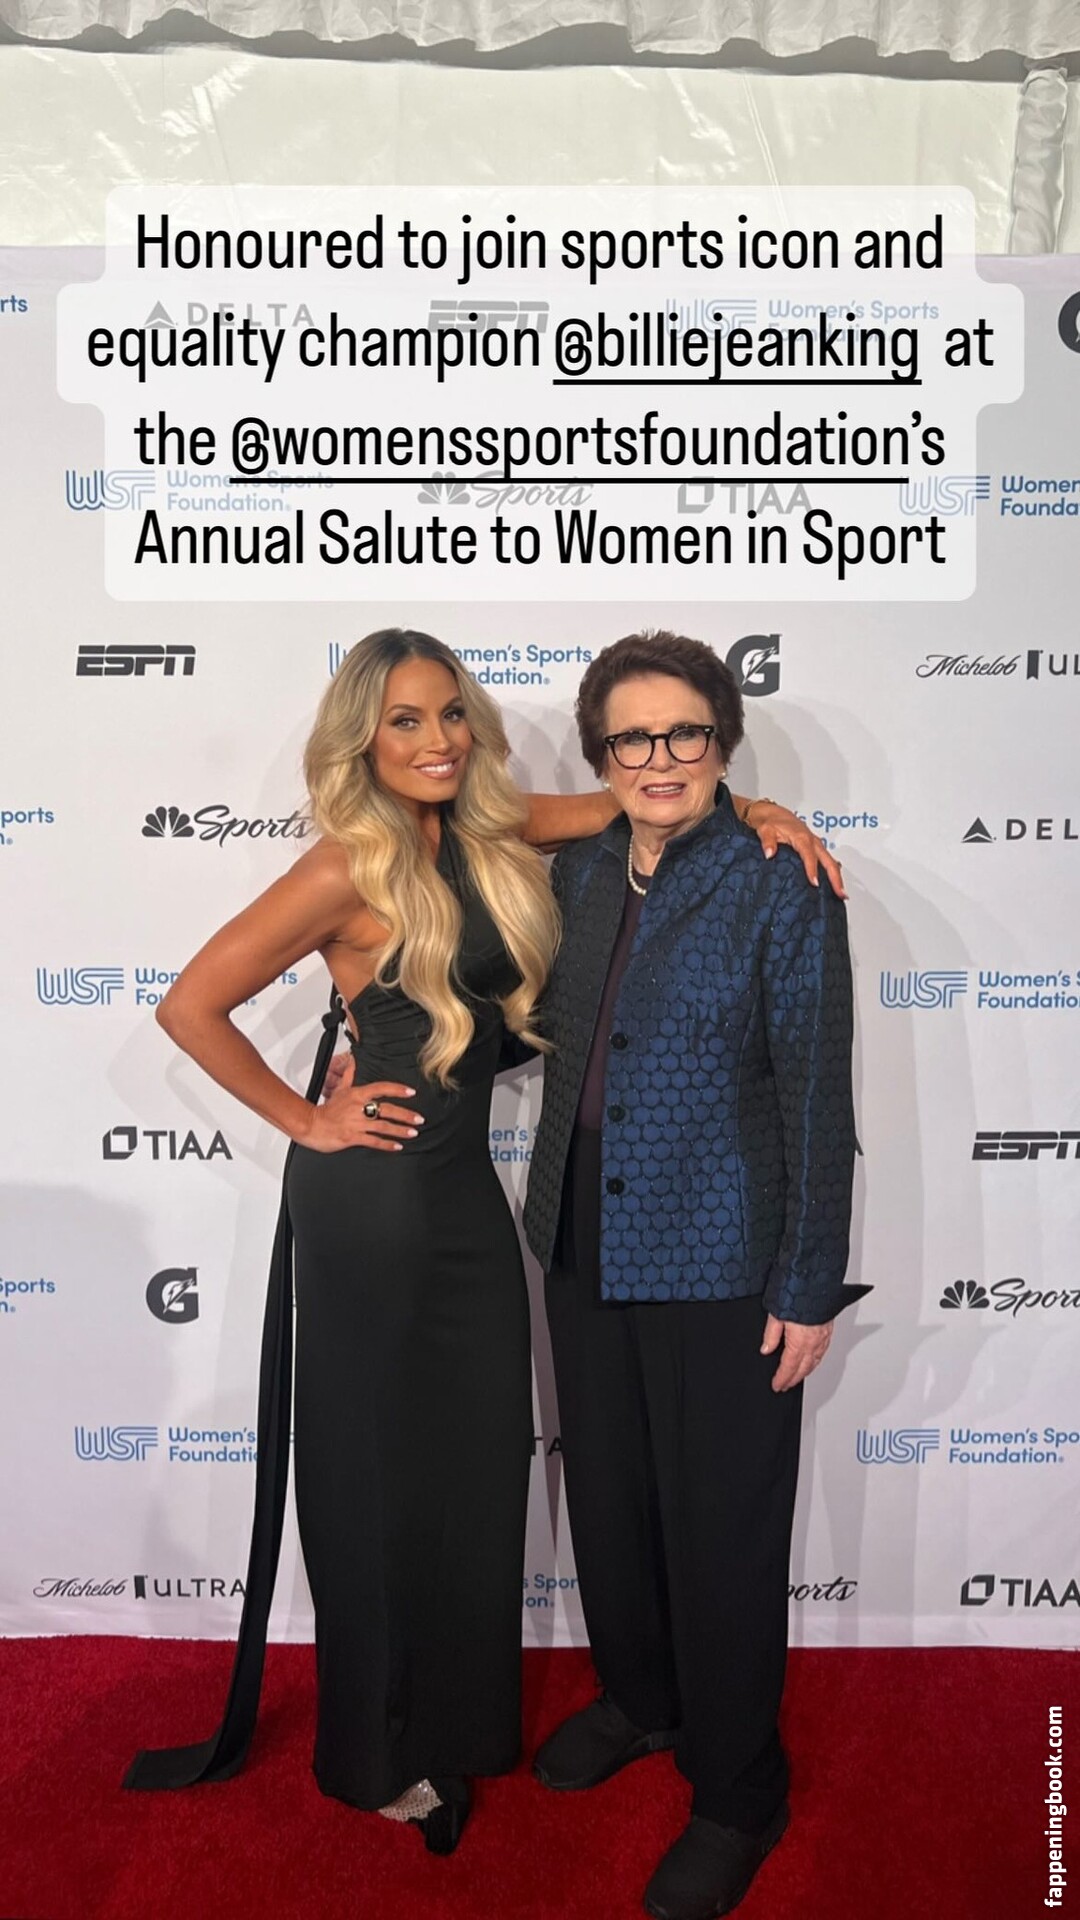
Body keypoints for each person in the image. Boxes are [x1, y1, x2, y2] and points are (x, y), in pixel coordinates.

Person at [123, 626, 842, 1854]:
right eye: (404, 720)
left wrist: (758, 808)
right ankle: (381, 1749)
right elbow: (190, 1004)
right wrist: (308, 1117)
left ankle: (471, 1732)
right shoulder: (346, 865)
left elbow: (647, 801)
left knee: (471, 1481)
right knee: (378, 1485)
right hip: (379, 1204)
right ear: (360, 739)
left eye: (451, 713)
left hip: (473, 1208)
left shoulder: (499, 830)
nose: (437, 739)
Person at [523, 630, 868, 1920]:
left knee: (721, 1532)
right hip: (579, 1237)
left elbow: (816, 1094)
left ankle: (738, 1788)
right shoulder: (581, 869)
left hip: (723, 1254)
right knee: (611, 1503)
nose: (659, 757)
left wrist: (807, 1284)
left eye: (686, 733)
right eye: (632, 736)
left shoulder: (782, 879)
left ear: (723, 744)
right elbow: (538, 1026)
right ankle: (642, 1699)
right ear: (602, 752)